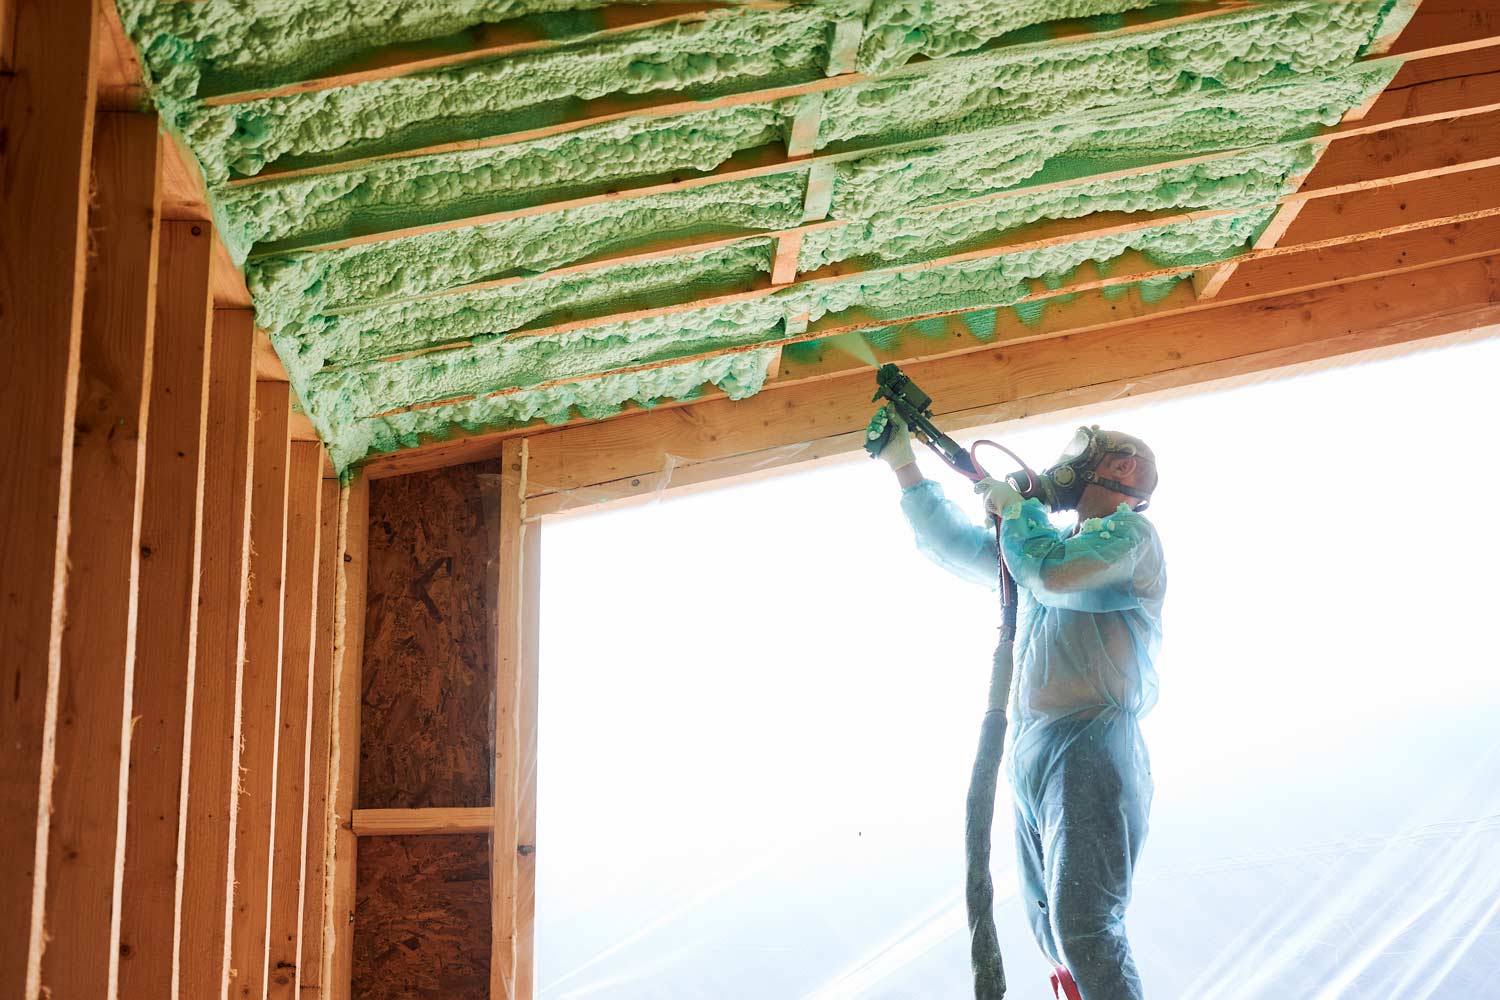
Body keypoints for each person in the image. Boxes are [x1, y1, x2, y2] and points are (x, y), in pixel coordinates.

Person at [868, 407, 1166, 1000]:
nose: (1066, 465)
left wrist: (1018, 509)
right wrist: (904, 465)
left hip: (1090, 745)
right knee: (1054, 935)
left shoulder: (1130, 540)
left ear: (1123, 467)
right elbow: (957, 547)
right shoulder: (1044, 549)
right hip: (1035, 753)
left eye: (1087, 450)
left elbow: (1049, 576)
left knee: (1083, 924)